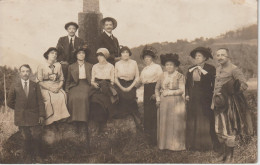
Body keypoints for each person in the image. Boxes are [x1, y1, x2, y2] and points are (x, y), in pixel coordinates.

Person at [212, 48, 253, 163]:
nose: (219, 57)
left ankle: (231, 157)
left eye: (222, 55)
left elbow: (244, 85)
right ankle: (225, 155)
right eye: (218, 55)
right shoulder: (218, 68)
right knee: (221, 129)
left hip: (230, 104)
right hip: (218, 103)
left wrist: (232, 90)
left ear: (228, 57)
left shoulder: (234, 69)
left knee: (230, 129)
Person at [7, 64, 45, 163]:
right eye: (23, 71)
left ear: (30, 73)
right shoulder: (15, 85)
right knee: (25, 138)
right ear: (20, 73)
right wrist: (19, 109)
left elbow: (40, 101)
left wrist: (41, 115)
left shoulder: (35, 85)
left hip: (34, 116)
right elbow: (9, 102)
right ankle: (27, 158)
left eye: (27, 71)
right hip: (21, 117)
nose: (25, 73)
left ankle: (37, 156)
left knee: (36, 136)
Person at [185, 47, 218, 151]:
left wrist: (201, 70)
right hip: (193, 96)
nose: (197, 58)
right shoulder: (191, 68)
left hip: (205, 96)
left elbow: (212, 81)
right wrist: (187, 94)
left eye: (199, 56)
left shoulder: (210, 68)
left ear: (205, 57)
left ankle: (206, 145)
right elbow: (187, 84)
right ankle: (193, 145)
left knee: (205, 118)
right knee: (193, 118)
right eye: (196, 56)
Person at [155, 53, 186, 151]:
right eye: (167, 65)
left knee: (175, 123)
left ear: (175, 66)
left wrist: (169, 92)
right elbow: (156, 88)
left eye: (171, 65)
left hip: (176, 102)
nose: (169, 67)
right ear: (164, 66)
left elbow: (182, 90)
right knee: (165, 122)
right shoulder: (162, 75)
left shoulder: (180, 76)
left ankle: (176, 146)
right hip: (164, 103)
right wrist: (158, 99)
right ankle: (164, 145)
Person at [36, 47, 70, 126]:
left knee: (63, 95)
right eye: (52, 53)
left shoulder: (58, 65)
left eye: (56, 54)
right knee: (50, 98)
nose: (54, 55)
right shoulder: (41, 66)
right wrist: (50, 88)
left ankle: (60, 120)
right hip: (45, 87)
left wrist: (58, 87)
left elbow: (62, 79)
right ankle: (49, 120)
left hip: (57, 86)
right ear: (47, 54)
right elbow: (39, 82)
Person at [137, 45, 163, 145]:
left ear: (152, 58)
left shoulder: (157, 67)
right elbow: (139, 81)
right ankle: (149, 140)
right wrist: (129, 89)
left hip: (154, 89)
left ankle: (157, 139)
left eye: (148, 57)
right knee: (147, 114)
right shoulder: (144, 70)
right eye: (145, 58)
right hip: (146, 91)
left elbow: (161, 80)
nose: (147, 59)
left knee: (154, 114)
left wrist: (156, 93)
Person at [65, 48, 93, 142]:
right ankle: (74, 121)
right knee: (72, 97)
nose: (81, 55)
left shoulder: (90, 66)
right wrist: (67, 89)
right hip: (75, 85)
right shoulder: (71, 66)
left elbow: (93, 79)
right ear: (76, 55)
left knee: (84, 97)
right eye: (79, 53)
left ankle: (84, 121)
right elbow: (68, 80)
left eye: (83, 53)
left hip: (86, 84)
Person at [89, 48, 118, 132]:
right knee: (94, 99)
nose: (99, 58)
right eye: (98, 56)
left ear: (105, 56)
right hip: (96, 86)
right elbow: (92, 80)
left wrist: (107, 86)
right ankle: (98, 123)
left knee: (107, 100)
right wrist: (94, 84)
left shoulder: (111, 66)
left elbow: (112, 81)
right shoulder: (94, 66)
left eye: (101, 56)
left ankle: (105, 123)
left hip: (107, 86)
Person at [114, 46, 141, 126]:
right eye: (123, 52)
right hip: (120, 84)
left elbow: (137, 77)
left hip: (131, 84)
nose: (125, 54)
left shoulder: (134, 62)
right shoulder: (117, 64)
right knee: (122, 98)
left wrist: (130, 87)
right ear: (121, 54)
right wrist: (121, 87)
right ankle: (125, 116)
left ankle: (137, 118)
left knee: (131, 98)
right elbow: (115, 78)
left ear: (129, 54)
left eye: (127, 52)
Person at [56, 22, 86, 87]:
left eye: (73, 29)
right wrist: (62, 61)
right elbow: (58, 52)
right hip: (64, 63)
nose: (72, 30)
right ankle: (63, 89)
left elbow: (82, 52)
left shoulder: (80, 41)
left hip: (76, 62)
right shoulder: (62, 40)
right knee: (63, 71)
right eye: (70, 29)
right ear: (67, 30)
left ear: (76, 30)